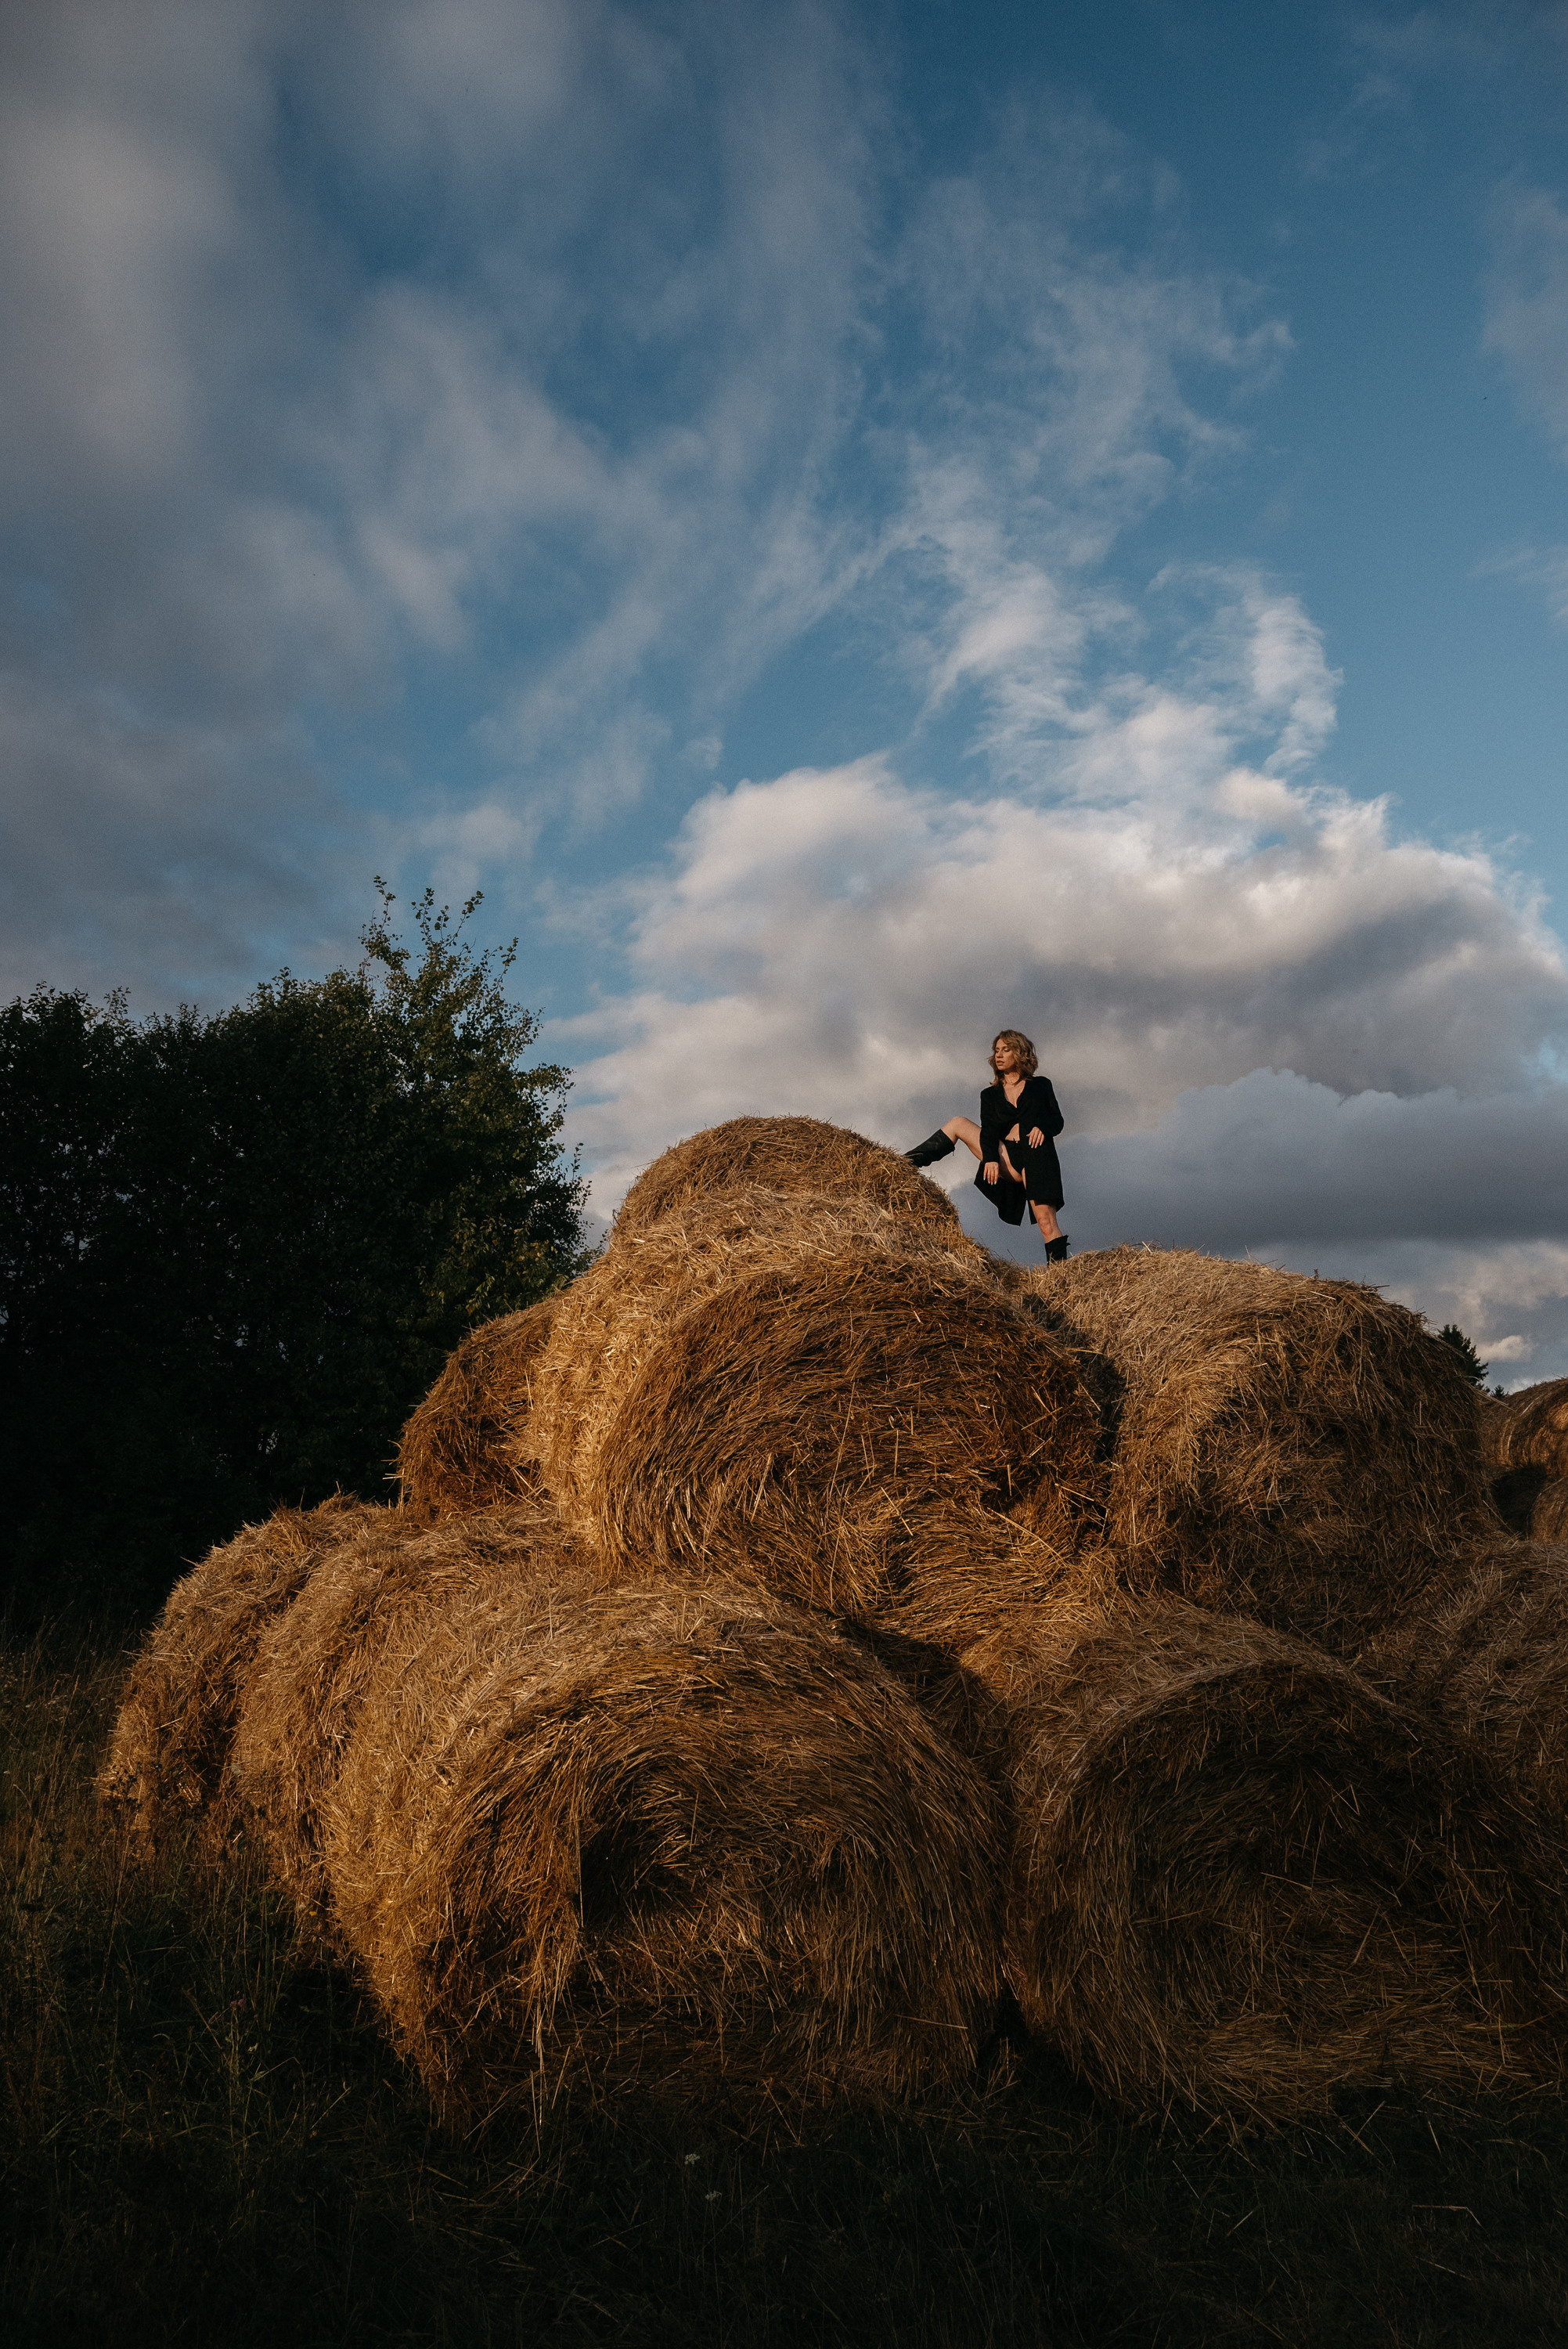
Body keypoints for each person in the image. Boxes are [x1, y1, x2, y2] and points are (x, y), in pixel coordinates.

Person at [904, 1030, 1069, 1262]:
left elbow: (1057, 1120)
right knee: (958, 1123)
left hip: (1037, 1156)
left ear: (1020, 1053)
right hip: (1005, 1156)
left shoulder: (1041, 1085)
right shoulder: (990, 1095)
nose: (998, 1055)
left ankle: (1060, 1277)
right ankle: (902, 1164)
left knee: (1046, 1223)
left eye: (1006, 1049)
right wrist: (991, 1158)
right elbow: (989, 1130)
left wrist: (1043, 1128)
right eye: (996, 1051)